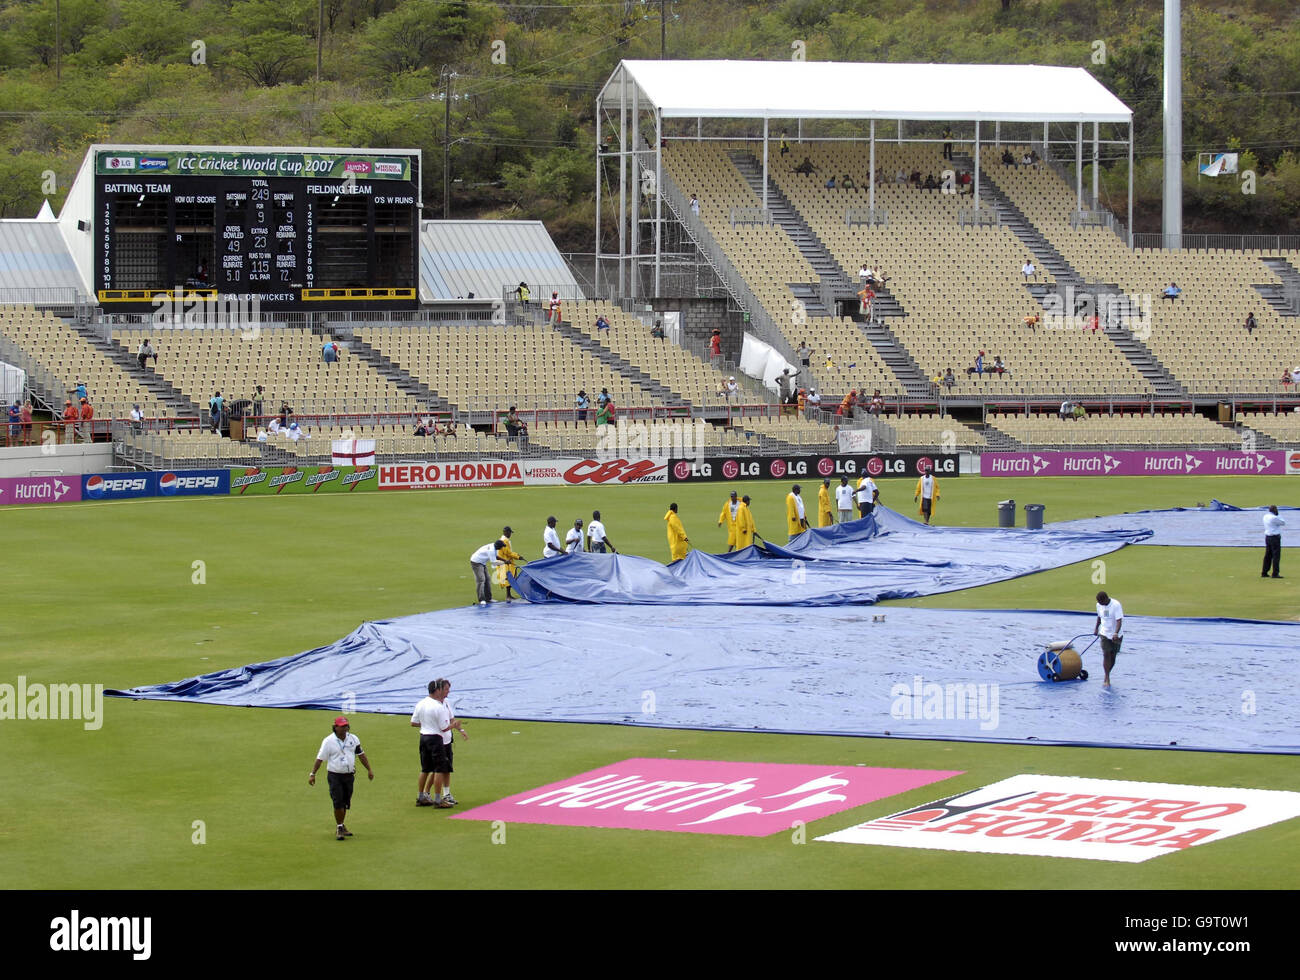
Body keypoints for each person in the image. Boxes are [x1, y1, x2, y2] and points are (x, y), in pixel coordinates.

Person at [309, 716, 374, 840]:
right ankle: (339, 827)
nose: (345, 728)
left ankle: (342, 825)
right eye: (342, 726)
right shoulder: (328, 741)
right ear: (336, 727)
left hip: (349, 776)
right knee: (337, 802)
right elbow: (320, 759)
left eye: (346, 726)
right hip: (335, 776)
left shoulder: (353, 739)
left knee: (345, 802)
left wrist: (369, 769)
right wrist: (312, 774)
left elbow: (361, 754)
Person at [411, 680, 452, 807]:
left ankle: (421, 796)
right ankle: (438, 799)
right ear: (437, 690)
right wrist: (454, 725)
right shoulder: (438, 707)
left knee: (425, 769)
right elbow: (444, 727)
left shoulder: (421, 703)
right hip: (435, 738)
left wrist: (427, 724)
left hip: (423, 736)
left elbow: (413, 722)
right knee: (439, 769)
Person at [1093, 591, 1124, 688]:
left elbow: (1119, 621)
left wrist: (1116, 633)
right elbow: (1099, 617)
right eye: (1099, 602)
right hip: (1104, 633)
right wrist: (1096, 628)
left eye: (1101, 602)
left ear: (1106, 599)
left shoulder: (1116, 605)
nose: (1100, 604)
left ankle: (1107, 675)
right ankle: (1107, 677)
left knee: (1113, 656)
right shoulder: (1099, 605)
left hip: (1116, 635)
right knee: (1106, 654)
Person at [470, 540, 504, 605]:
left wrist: (505, 560)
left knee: (487, 579)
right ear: (498, 546)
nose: (502, 548)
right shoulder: (491, 550)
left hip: (482, 563)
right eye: (501, 547)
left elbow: (496, 556)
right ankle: (481, 600)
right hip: (476, 562)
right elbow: (494, 563)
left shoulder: (494, 547)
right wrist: (504, 562)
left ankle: (488, 598)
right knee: (481, 580)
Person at [496, 528, 524, 600]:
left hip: (504, 561)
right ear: (506, 532)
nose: (510, 534)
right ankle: (508, 596)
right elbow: (508, 553)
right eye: (509, 532)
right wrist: (518, 556)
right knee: (509, 578)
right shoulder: (505, 541)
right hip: (505, 562)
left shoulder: (503, 540)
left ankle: (509, 595)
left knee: (509, 578)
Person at [1262, 505, 1285, 579]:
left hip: (1268, 537)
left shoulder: (1265, 516)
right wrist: (1279, 515)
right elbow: (1283, 522)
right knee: (1276, 556)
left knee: (1268, 555)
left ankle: (1264, 572)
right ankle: (1275, 573)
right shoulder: (1274, 518)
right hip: (1274, 537)